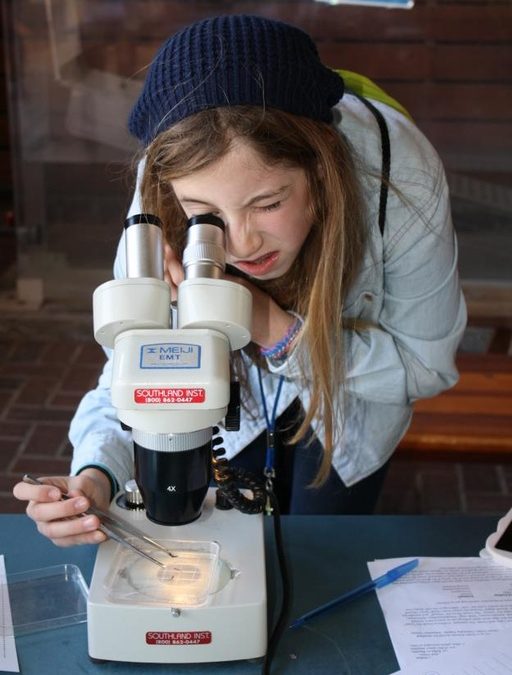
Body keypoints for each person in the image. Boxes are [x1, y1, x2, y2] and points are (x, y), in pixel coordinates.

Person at [13, 14, 466, 546]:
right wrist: (95, 474)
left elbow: (426, 366)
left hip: (355, 403)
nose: (242, 243)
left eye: (268, 203)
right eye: (204, 213)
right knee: (225, 543)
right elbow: (132, 370)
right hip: (235, 393)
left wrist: (273, 327)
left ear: (321, 175)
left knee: (319, 550)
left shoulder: (401, 176)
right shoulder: (164, 189)